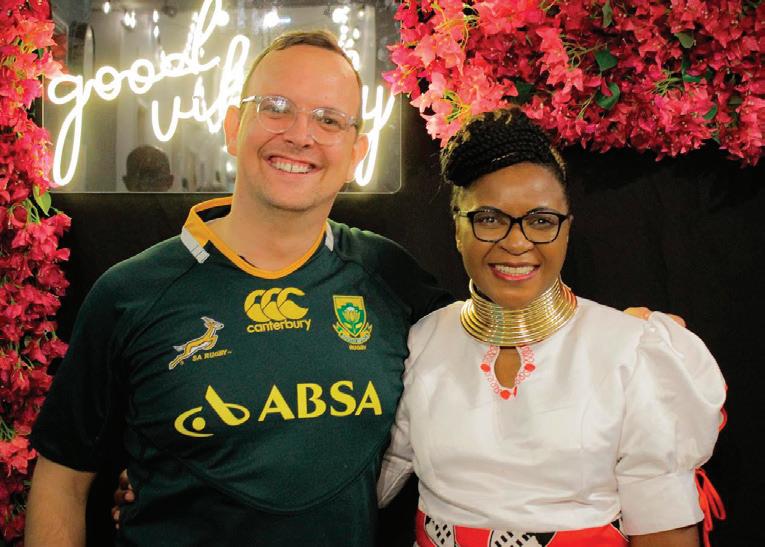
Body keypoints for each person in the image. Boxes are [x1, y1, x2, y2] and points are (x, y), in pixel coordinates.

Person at [25, 30, 451, 546]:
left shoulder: (392, 279)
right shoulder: (131, 293)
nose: (300, 135)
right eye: (276, 108)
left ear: (356, 152)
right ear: (233, 128)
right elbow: (63, 480)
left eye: (329, 119)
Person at [377, 109, 726, 546]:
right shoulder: (423, 340)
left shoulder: (631, 349)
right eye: (489, 218)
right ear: (458, 228)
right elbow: (359, 486)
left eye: (541, 221)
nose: (516, 242)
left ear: (566, 230)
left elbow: (665, 531)